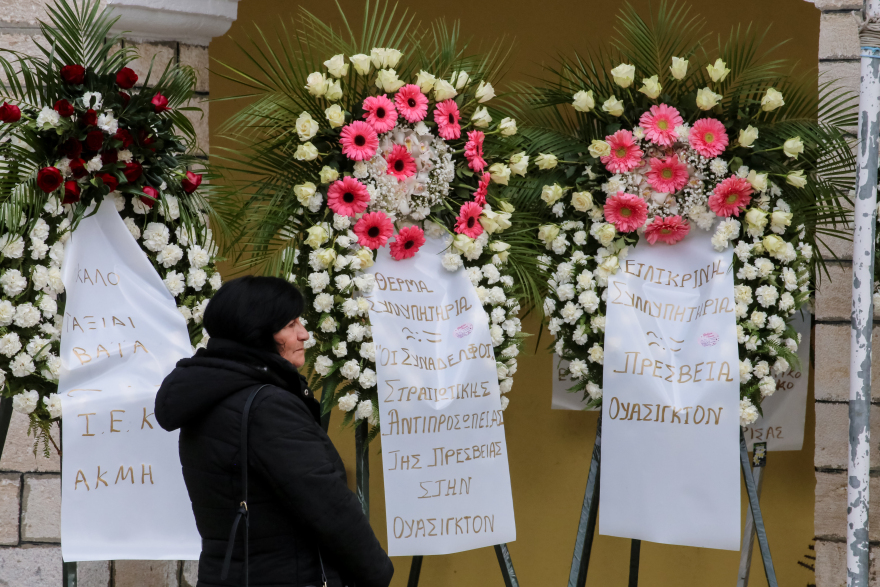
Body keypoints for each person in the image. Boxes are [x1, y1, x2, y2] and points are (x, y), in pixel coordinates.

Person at [155, 276, 394, 587]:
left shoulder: (211, 393)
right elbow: (328, 505)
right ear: (257, 332)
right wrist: (377, 574)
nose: (304, 334)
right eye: (290, 324)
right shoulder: (267, 407)